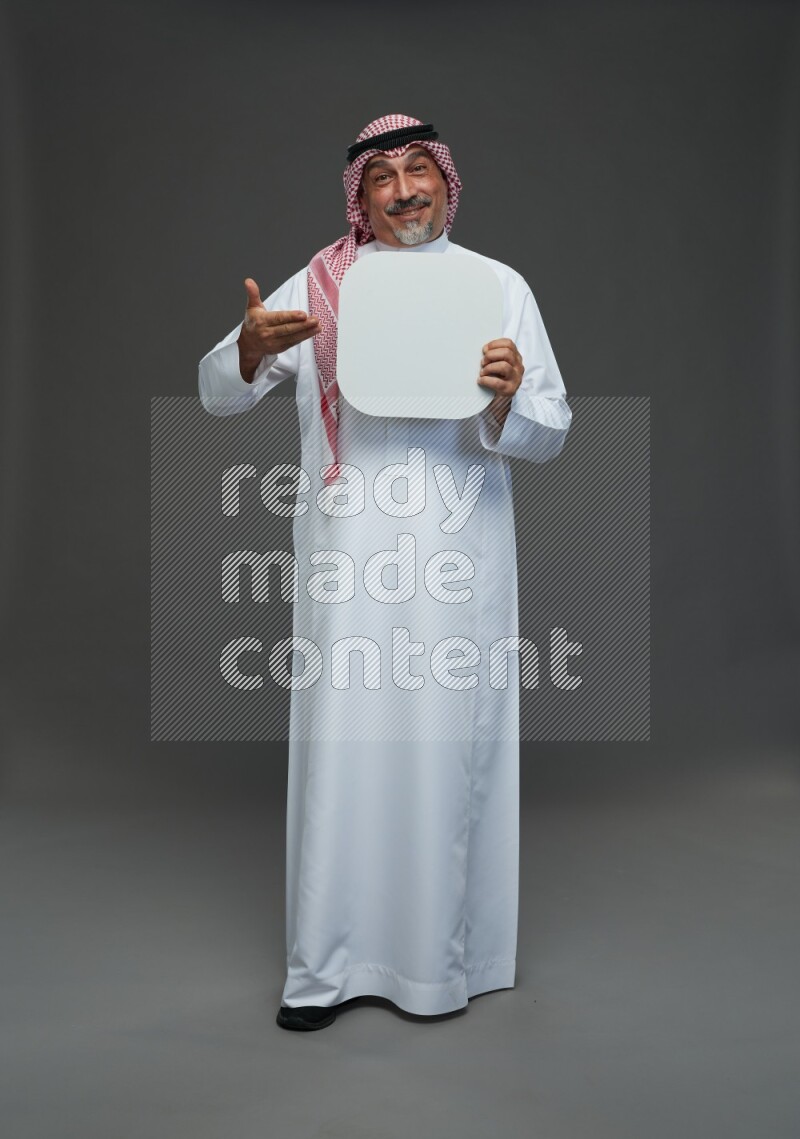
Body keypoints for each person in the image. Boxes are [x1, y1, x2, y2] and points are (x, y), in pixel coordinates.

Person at [198, 114, 572, 1031]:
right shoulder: (329, 282)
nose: (405, 189)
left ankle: (445, 964)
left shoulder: (498, 285)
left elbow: (554, 429)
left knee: (450, 746)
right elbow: (218, 387)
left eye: (419, 170)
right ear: (359, 197)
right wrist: (249, 348)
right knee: (343, 746)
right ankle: (322, 968)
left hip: (459, 550)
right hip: (349, 546)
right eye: (382, 178)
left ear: (446, 180)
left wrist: (510, 394)